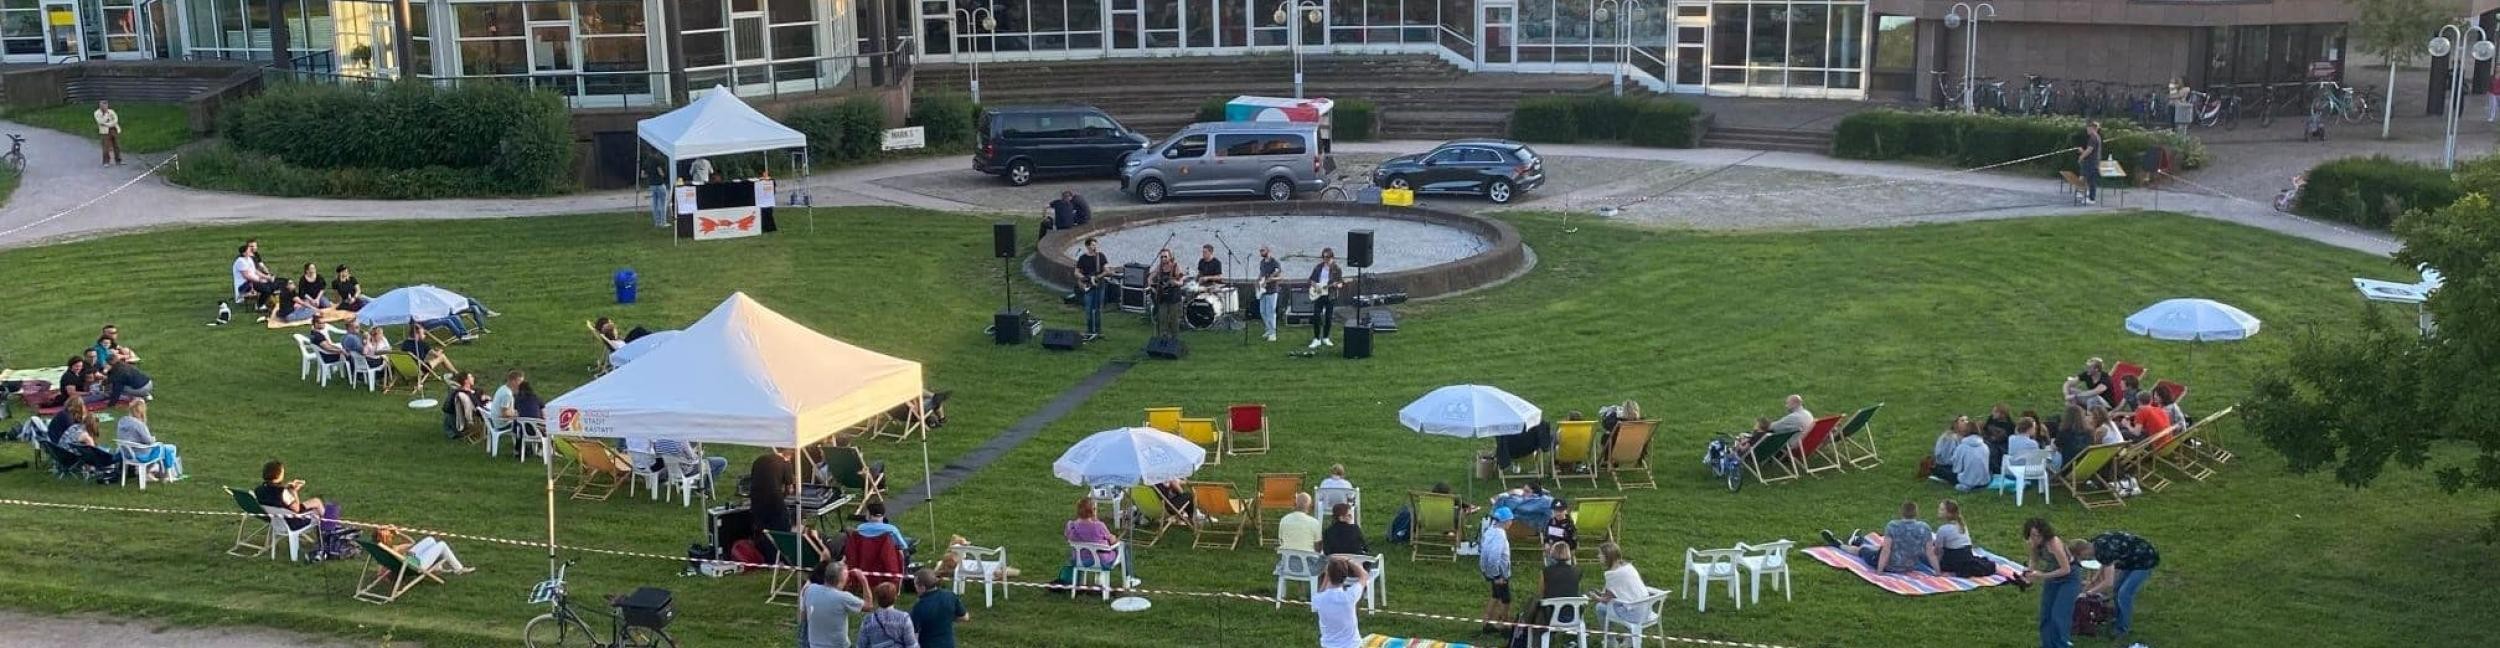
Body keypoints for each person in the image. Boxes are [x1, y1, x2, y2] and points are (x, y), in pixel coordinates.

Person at [2077, 530, 2159, 639]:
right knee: (2117, 590)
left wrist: (2088, 593)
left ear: (2084, 549)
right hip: (2131, 559)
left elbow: (2108, 582)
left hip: (2144, 560)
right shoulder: (2096, 543)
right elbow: (2105, 564)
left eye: (2082, 556)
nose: (2084, 558)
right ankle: (2118, 617)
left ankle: (2122, 629)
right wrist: (2093, 581)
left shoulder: (2104, 550)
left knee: (2124, 594)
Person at [1820, 500, 1935, 575]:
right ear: (1917, 513)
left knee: (1862, 549)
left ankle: (1838, 544)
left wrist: (1879, 571)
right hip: (1908, 565)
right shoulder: (1924, 528)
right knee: (1875, 547)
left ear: (1901, 512)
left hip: (1890, 565)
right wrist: (1938, 572)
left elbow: (1886, 550)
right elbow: (1930, 552)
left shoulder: (1893, 526)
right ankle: (1857, 540)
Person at [2019, 518, 2080, 648]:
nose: (2034, 538)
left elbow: (2066, 569)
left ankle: (2061, 644)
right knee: (2046, 614)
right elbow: (2034, 559)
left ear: (2044, 533)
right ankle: (2047, 644)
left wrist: (2042, 576)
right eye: (2031, 535)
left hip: (2069, 578)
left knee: (2059, 614)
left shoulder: (2054, 544)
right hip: (2052, 576)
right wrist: (2029, 573)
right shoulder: (2033, 543)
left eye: (2037, 535)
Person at [254, 460, 340, 532]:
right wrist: (293, 491)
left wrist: (286, 488)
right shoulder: (282, 492)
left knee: (316, 501)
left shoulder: (259, 490)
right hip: (292, 521)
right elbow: (296, 509)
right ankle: (329, 530)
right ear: (278, 475)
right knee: (317, 507)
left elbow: (272, 494)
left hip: (276, 518)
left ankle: (329, 527)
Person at [801, 561, 865, 648]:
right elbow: (868, 606)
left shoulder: (809, 589)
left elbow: (804, 616)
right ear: (840, 579)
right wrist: (863, 580)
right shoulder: (843, 598)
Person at [1065, 497, 1133, 579]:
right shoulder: (1099, 526)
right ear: (1093, 510)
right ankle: (1129, 578)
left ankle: (1094, 579)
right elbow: (1112, 541)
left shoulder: (1071, 526)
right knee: (1124, 546)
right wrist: (1114, 537)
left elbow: (1068, 537)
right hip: (1101, 561)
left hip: (1079, 560)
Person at [113, 402, 182, 481]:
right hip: (139, 454)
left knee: (160, 448)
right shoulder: (139, 425)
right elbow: (149, 441)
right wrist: (153, 439)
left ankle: (149, 473)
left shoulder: (122, 421)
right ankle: (165, 475)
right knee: (167, 448)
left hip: (125, 453)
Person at [1589, 542, 1651, 630]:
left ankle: (1611, 641)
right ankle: (1630, 637)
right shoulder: (1628, 566)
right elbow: (1614, 593)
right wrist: (1601, 593)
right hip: (1646, 609)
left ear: (1608, 556)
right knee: (1617, 603)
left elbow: (1606, 600)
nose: (1598, 556)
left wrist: (1596, 597)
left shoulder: (1612, 574)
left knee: (1600, 607)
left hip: (1635, 613)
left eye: (1600, 554)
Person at [750, 448, 796, 563]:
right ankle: (781, 559)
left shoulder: (759, 460)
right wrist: (783, 495)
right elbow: (790, 489)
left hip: (756, 502)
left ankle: (766, 558)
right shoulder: (786, 463)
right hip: (774, 502)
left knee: (763, 530)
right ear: (789, 455)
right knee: (782, 529)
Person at [1312, 556, 1369, 648]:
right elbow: (1364, 575)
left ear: (1328, 574)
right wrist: (1348, 560)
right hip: (1352, 645)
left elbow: (1322, 591)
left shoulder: (1318, 599)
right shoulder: (1349, 596)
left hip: (1328, 645)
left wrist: (1328, 572)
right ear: (1345, 576)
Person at [1477, 506, 1515, 635]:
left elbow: (1482, 551)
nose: (1512, 523)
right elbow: (1494, 557)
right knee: (1506, 599)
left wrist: (1485, 570)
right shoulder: (1500, 536)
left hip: (1489, 570)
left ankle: (1486, 623)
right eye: (1511, 520)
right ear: (1505, 521)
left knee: (1495, 595)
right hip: (1500, 573)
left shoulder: (1490, 530)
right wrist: (1497, 576)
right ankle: (1504, 626)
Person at [377, 526, 474, 575]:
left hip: (409, 560)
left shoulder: (384, 550)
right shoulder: (393, 549)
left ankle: (437, 568)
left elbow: (413, 543)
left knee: (430, 539)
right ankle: (459, 569)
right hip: (415, 566)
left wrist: (398, 533)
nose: (391, 535)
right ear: (384, 539)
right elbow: (382, 572)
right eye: (389, 535)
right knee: (442, 544)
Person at [908, 569, 967, 648]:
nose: (915, 587)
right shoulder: (950, 595)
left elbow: (910, 631)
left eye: (915, 585)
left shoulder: (919, 607)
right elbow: (965, 617)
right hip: (948, 644)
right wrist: (947, 617)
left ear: (922, 587)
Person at [1933, 500, 1993, 577]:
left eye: (1941, 509)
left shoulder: (1943, 529)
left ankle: (1953, 572)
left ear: (1949, 513)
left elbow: (1938, 551)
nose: (1938, 511)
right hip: (1967, 556)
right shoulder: (1962, 525)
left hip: (1953, 560)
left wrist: (1936, 565)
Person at [856, 582, 917, 648]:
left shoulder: (868, 620)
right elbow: (911, 645)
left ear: (877, 599)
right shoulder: (904, 618)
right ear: (895, 598)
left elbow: (861, 645)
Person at [1073, 238, 1111, 341]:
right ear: (1087, 246)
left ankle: (1098, 331)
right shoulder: (1083, 258)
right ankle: (1089, 331)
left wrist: (1098, 277)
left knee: (1098, 309)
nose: (1095, 247)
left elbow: (1107, 270)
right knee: (1088, 309)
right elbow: (1076, 272)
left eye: (1096, 245)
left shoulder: (1101, 256)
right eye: (1093, 245)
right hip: (1088, 286)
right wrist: (1084, 279)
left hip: (1100, 285)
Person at [1306, 247, 1343, 349]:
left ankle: (1326, 337)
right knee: (1316, 316)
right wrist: (1316, 286)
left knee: (1328, 317)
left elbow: (1340, 283)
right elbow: (1310, 280)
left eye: (1327, 257)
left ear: (1332, 257)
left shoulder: (1337, 269)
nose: (1325, 259)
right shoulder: (1318, 267)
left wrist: (1337, 285)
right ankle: (1316, 338)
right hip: (1319, 294)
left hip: (1330, 295)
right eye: (1323, 257)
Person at [1538, 541, 1581, 628]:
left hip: (1550, 613)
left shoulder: (1546, 571)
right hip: (1573, 613)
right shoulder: (1577, 571)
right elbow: (1577, 591)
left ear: (1552, 553)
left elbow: (1541, 592)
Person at [1148, 248, 1185, 340]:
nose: (1163, 259)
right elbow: (1151, 276)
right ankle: (1162, 339)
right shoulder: (1160, 267)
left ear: (1170, 257)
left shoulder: (1176, 267)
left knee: (1174, 320)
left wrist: (1175, 283)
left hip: (1174, 298)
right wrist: (1152, 286)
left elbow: (1181, 282)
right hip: (1163, 297)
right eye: (1161, 257)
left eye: (1165, 257)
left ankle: (1174, 340)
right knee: (1162, 318)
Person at [1948, 421, 1992, 492]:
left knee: (1943, 470)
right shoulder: (1985, 446)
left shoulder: (1962, 447)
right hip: (1984, 481)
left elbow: (1956, 468)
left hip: (1967, 481)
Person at [1255, 245, 1283, 342]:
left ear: (1268, 251)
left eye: (1263, 250)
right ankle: (1268, 329)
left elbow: (1280, 277)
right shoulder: (1262, 262)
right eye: (1260, 251)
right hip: (1263, 289)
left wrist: (1271, 279)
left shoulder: (1275, 263)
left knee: (1271, 312)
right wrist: (1258, 281)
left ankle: (1273, 333)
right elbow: (1261, 273)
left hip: (1272, 290)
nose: (1261, 252)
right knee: (1263, 311)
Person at [2077, 120, 2103, 205]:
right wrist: (2082, 152)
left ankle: (2092, 199)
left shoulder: (2093, 137)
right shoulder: (2096, 137)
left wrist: (2081, 156)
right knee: (2087, 178)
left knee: (2092, 181)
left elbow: (2089, 150)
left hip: (2092, 162)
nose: (2087, 130)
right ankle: (2086, 193)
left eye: (2088, 128)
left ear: (2093, 128)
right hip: (2092, 161)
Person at [93, 100, 121, 165]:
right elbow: (100, 122)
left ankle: (118, 160)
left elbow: (116, 120)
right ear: (100, 106)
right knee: (106, 146)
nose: (105, 107)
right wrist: (105, 114)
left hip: (114, 129)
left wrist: (108, 124)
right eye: (103, 105)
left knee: (117, 145)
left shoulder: (111, 111)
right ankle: (106, 161)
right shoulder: (97, 113)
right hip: (104, 131)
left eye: (106, 105)